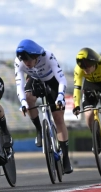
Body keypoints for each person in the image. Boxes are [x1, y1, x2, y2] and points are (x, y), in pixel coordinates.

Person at [14, 39, 73, 174]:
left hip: (52, 81)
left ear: (36, 56)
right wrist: (23, 102)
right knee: (28, 98)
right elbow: (19, 84)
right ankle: (39, 130)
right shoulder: (19, 62)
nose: (26, 64)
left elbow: (61, 79)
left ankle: (66, 157)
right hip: (34, 79)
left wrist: (60, 97)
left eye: (28, 60)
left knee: (58, 118)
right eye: (24, 61)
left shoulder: (48, 56)